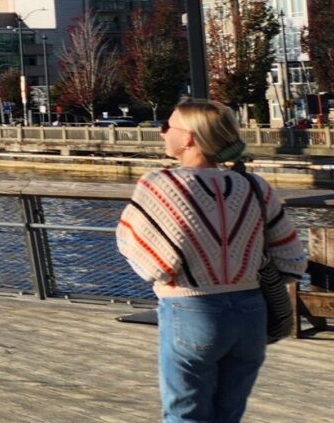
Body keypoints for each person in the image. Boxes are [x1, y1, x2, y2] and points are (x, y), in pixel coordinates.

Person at [116, 101, 307, 423]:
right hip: (250, 316)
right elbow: (291, 260)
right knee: (228, 415)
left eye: (168, 126)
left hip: (192, 311)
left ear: (189, 137)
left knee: (185, 415)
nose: (162, 133)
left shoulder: (161, 184)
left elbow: (152, 263)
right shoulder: (254, 186)